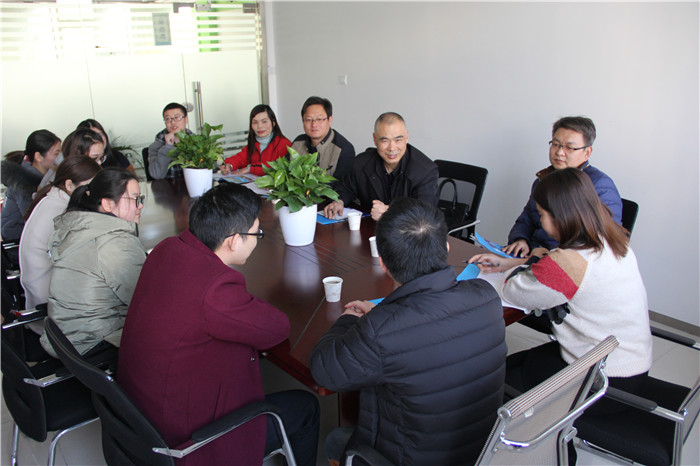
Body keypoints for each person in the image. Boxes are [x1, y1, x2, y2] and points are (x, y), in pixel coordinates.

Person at [118, 182, 320, 466]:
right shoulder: (215, 289)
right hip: (185, 442)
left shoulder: (167, 248)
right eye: (257, 233)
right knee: (306, 407)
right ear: (234, 241)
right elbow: (276, 329)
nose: (257, 240)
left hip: (140, 417)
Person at [310, 198, 506, 465]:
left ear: (383, 263)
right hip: (484, 452)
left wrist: (349, 319)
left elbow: (324, 371)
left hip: (411, 459)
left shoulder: (381, 330)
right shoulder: (486, 296)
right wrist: (384, 315)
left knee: (336, 439)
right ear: (446, 248)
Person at [470, 168, 652, 410]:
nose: (541, 222)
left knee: (486, 384)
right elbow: (556, 267)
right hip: (627, 365)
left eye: (542, 215)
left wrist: (527, 263)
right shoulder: (611, 240)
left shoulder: (569, 263)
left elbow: (512, 291)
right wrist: (514, 263)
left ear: (561, 216)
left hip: (602, 383)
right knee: (506, 366)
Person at [39, 168, 146, 357]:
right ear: (107, 204)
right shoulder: (115, 242)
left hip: (65, 338)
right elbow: (146, 299)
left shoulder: (81, 228)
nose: (140, 206)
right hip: (91, 342)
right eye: (135, 199)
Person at [504, 116, 622, 257]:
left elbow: (601, 244)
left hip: (564, 261)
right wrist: (520, 239)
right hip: (531, 255)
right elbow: (527, 218)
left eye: (569, 147)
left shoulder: (600, 186)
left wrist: (549, 255)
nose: (559, 152)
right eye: (556, 144)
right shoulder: (544, 180)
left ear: (587, 152)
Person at [20, 156, 101, 317]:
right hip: (50, 306)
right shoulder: (62, 213)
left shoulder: (53, 199)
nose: (94, 194)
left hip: (41, 291)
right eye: (89, 187)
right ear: (69, 185)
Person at [323, 112, 439, 221]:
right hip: (370, 229)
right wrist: (339, 201)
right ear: (375, 139)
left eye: (398, 140)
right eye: (385, 141)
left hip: (406, 233)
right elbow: (346, 188)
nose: (392, 148)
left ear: (407, 137)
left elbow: (425, 213)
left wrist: (390, 212)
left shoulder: (425, 170)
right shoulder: (362, 162)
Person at [1, 130, 61, 240]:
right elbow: (34, 219)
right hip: (18, 241)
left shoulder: (45, 177)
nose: (60, 158)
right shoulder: (24, 184)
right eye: (56, 154)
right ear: (39, 157)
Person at [290, 96, 355, 180]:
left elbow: (342, 185)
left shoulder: (344, 149)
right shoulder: (297, 143)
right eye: (309, 119)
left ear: (330, 120)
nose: (314, 124)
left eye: (319, 119)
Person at [220, 104, 291, 176]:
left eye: (264, 121)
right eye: (255, 122)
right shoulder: (253, 144)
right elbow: (240, 158)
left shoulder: (284, 144)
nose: (259, 126)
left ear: (273, 123)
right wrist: (229, 165)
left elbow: (275, 166)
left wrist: (250, 168)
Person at [148, 102, 193, 179]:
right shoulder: (156, 145)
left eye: (177, 117)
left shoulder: (197, 141)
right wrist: (168, 146)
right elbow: (156, 175)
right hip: (168, 185)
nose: (173, 122)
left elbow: (211, 168)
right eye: (168, 119)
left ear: (186, 119)